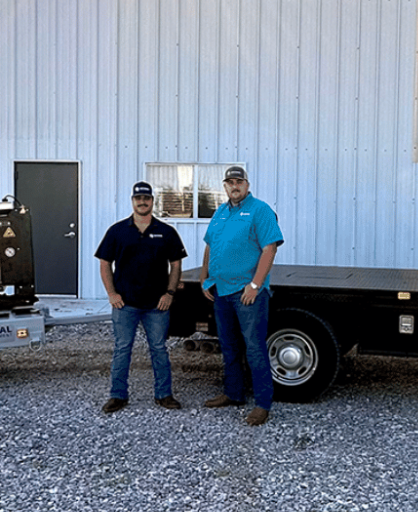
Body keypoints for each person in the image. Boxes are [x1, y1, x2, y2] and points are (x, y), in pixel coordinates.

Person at [200, 166, 284, 426]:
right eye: (230, 182)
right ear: (224, 186)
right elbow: (210, 246)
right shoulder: (221, 212)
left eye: (239, 181)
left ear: (247, 185)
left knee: (255, 348)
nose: (234, 186)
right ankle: (234, 393)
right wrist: (205, 278)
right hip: (221, 292)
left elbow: (269, 248)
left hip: (247, 294)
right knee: (229, 346)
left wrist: (256, 285)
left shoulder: (260, 210)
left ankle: (262, 404)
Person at [95, 181, 188, 414]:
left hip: (157, 305)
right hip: (125, 304)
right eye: (138, 199)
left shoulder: (166, 232)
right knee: (122, 349)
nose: (142, 202)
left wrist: (169, 293)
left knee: (159, 349)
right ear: (132, 201)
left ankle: (164, 394)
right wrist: (112, 294)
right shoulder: (117, 231)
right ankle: (118, 396)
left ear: (152, 201)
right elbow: (104, 263)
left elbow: (176, 264)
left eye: (146, 198)